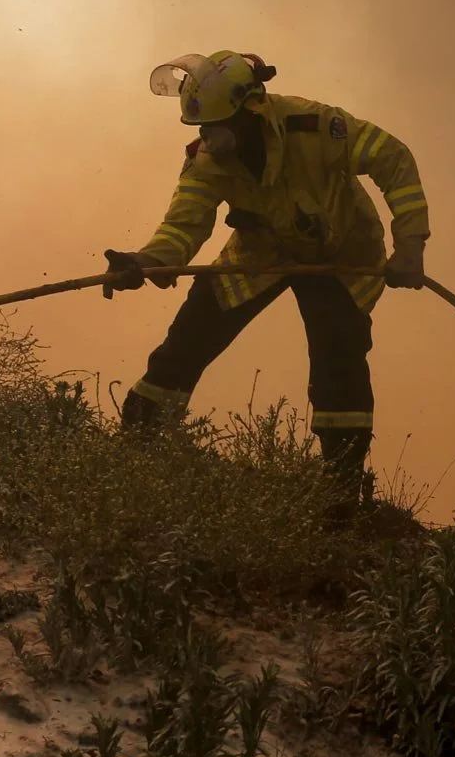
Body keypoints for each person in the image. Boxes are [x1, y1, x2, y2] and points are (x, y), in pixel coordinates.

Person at [103, 50, 430, 512]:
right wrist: (147, 261)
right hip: (261, 254)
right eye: (201, 129)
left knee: (339, 360)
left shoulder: (316, 126)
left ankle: (340, 495)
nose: (208, 139)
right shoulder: (207, 159)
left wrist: (410, 244)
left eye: (216, 127)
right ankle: (139, 447)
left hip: (342, 256)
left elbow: (394, 159)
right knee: (190, 337)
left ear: (251, 111)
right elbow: (185, 223)